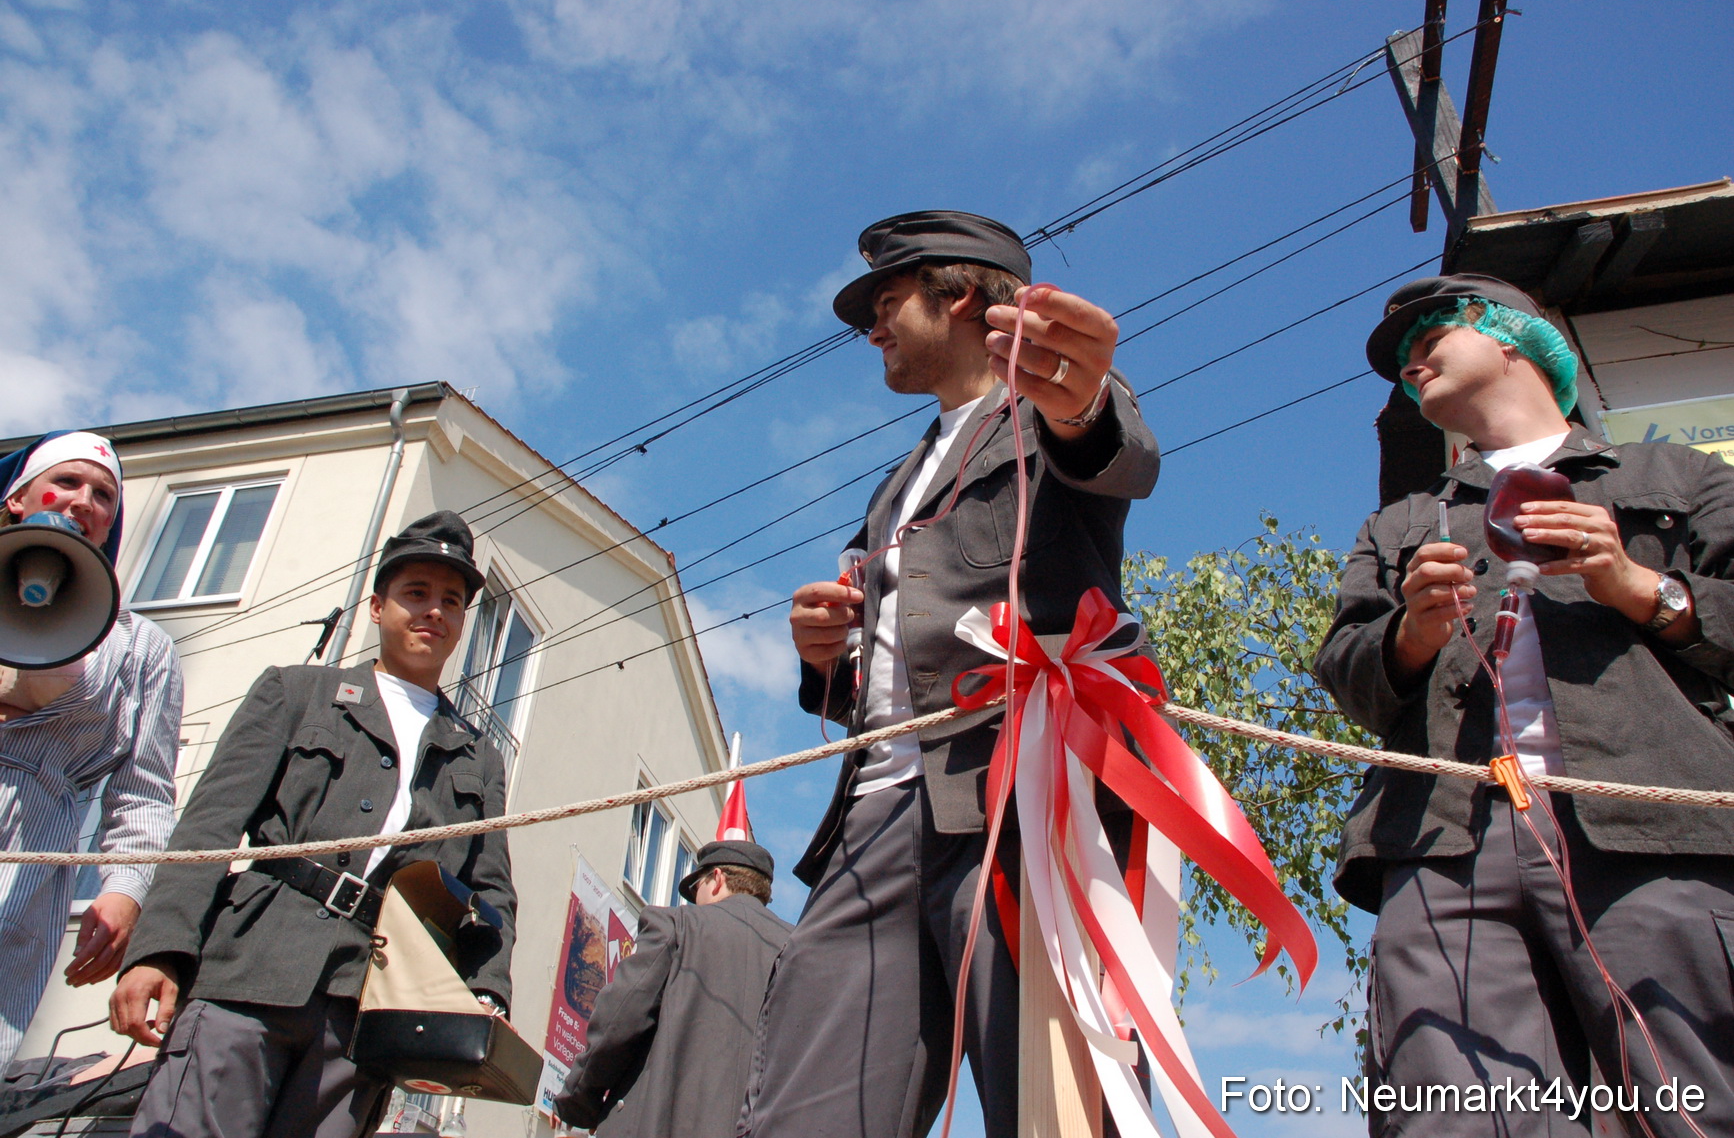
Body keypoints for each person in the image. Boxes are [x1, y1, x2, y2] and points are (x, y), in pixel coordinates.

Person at [740, 210, 1160, 1138]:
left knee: (1053, 1100)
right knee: (799, 1109)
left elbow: (1115, 450)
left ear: (959, 292)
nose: (872, 330)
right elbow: (881, 653)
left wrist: (1079, 399)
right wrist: (827, 653)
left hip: (1014, 805)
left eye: (886, 303)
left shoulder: (1051, 407)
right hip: (873, 817)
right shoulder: (898, 480)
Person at [1315, 274, 1734, 1136]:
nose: (1411, 356)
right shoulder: (1398, 525)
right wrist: (1412, 635)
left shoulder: (1679, 476)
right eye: (1402, 357)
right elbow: (1346, 673)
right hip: (1442, 842)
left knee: (1692, 1099)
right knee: (1452, 1112)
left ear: (1512, 337)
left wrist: (1638, 585)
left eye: (1433, 330)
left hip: (1654, 826)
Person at [111, 510, 517, 1138]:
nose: (435, 611)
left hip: (367, 1009)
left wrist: (487, 994)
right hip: (249, 970)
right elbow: (208, 828)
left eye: (452, 601)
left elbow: (491, 894)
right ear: (377, 607)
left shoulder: (477, 757)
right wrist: (159, 952)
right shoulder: (296, 693)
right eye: (416, 594)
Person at [0, 430, 182, 1071]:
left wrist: (127, 889)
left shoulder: (141, 648)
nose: (85, 501)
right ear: (18, 499)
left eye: (103, 494)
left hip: (29, 862)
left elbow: (144, 791)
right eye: (69, 482)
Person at [553, 840, 792, 1137]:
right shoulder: (799, 950)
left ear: (717, 879)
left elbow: (620, 1017)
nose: (694, 902)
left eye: (696, 891)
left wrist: (579, 1101)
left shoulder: (677, 925)